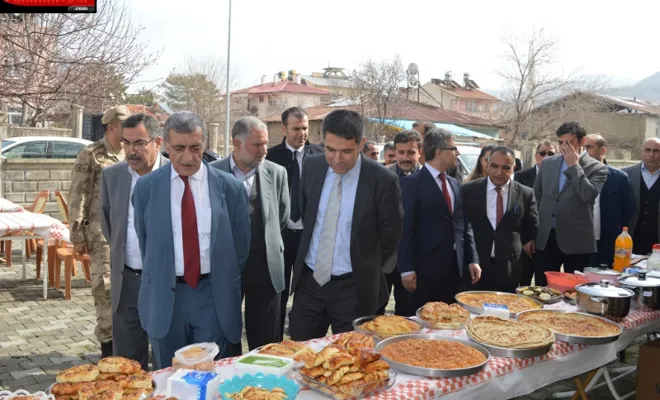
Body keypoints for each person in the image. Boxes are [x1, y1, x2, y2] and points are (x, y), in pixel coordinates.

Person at [131, 111, 250, 369]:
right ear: (166, 147)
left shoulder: (230, 188)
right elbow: (146, 242)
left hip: (213, 296)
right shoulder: (146, 188)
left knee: (211, 376)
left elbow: (240, 248)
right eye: (179, 148)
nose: (188, 157)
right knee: (170, 375)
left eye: (195, 148)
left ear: (205, 144)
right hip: (165, 297)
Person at [288, 109, 402, 341]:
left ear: (361, 144)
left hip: (354, 289)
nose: (337, 159)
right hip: (310, 283)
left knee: (352, 360)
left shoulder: (382, 181)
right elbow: (304, 213)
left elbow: (391, 235)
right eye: (330, 150)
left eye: (346, 151)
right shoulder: (312, 167)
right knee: (300, 354)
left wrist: (370, 271)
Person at [210, 117, 289, 351]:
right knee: (225, 334)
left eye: (265, 144)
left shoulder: (277, 173)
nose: (264, 150)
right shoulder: (212, 173)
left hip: (265, 267)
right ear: (237, 143)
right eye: (257, 145)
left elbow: (282, 216)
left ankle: (263, 382)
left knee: (266, 340)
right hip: (225, 267)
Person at [100, 114, 168, 369]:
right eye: (126, 143)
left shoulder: (176, 176)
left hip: (166, 283)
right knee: (127, 364)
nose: (131, 151)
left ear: (157, 142)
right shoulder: (112, 176)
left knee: (166, 361)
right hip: (126, 280)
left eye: (139, 143)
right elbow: (109, 225)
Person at [68, 105, 128, 358]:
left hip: (128, 232)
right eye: (125, 124)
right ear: (111, 126)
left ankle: (127, 346)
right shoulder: (92, 154)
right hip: (100, 233)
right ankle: (109, 351)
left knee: (128, 291)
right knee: (105, 291)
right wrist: (76, 234)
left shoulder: (132, 152)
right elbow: (77, 195)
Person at [398, 128, 481, 310]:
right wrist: (407, 269)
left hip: (455, 270)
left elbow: (463, 225)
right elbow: (405, 229)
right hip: (425, 271)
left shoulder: (454, 184)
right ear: (439, 152)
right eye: (453, 148)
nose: (457, 153)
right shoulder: (412, 183)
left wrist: (472, 259)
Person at [265, 107, 323, 340]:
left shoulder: (319, 156)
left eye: (305, 128)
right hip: (280, 234)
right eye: (296, 128)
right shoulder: (270, 156)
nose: (302, 133)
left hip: (308, 236)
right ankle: (274, 340)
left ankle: (300, 337)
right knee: (278, 291)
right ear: (284, 128)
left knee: (306, 290)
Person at [533, 121, 607, 286]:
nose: (564, 147)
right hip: (546, 238)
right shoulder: (548, 163)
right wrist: (532, 233)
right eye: (561, 143)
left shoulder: (598, 168)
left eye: (569, 142)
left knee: (573, 292)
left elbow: (587, 195)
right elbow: (536, 198)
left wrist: (574, 165)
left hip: (576, 242)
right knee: (541, 288)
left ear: (582, 141)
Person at [462, 146, 538, 293]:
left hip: (510, 269)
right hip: (475, 266)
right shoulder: (469, 190)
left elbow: (531, 228)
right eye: (494, 166)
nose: (499, 172)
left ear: (513, 168)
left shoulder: (525, 193)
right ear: (487, 165)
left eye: (505, 168)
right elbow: (464, 227)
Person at [377, 130, 422, 316]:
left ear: (420, 152)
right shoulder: (381, 176)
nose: (405, 157)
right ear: (394, 152)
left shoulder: (429, 180)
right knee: (375, 312)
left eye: (411, 152)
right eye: (401, 152)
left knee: (408, 315)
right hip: (383, 260)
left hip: (414, 262)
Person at [583, 134, 636, 267]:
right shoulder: (575, 174)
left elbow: (628, 208)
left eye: (589, 147)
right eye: (583, 147)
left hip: (606, 242)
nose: (585, 151)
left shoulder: (619, 178)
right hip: (578, 242)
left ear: (603, 151)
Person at [514, 139, 556, 285]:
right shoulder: (521, 176)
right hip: (525, 240)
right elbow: (519, 210)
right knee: (523, 281)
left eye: (551, 153)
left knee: (542, 283)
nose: (546, 156)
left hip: (547, 240)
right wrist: (527, 238)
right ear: (536, 155)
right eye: (542, 153)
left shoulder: (560, 177)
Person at [622, 137, 660, 255]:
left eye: (656, 151)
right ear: (642, 151)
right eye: (647, 150)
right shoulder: (625, 174)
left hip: (656, 243)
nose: (651, 154)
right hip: (629, 240)